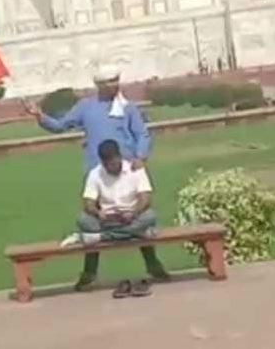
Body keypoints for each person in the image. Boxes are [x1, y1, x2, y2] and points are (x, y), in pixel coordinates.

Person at [23, 64, 168, 290]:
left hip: (127, 171)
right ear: (99, 85)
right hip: (98, 173)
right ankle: (90, 273)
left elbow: (142, 134)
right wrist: (40, 116)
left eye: (116, 81)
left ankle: (152, 264)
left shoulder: (127, 108)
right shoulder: (86, 107)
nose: (114, 85)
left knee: (135, 213)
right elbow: (61, 126)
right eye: (109, 82)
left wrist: (141, 155)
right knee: (96, 218)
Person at [61, 140, 159, 298]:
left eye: (115, 163)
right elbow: (88, 203)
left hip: (132, 216)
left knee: (150, 216)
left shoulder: (135, 169)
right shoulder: (95, 174)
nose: (113, 168)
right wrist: (99, 213)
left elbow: (145, 199)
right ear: (103, 163)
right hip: (107, 219)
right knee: (83, 220)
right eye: (109, 165)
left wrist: (133, 212)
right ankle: (139, 233)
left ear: (120, 157)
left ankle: (97, 238)